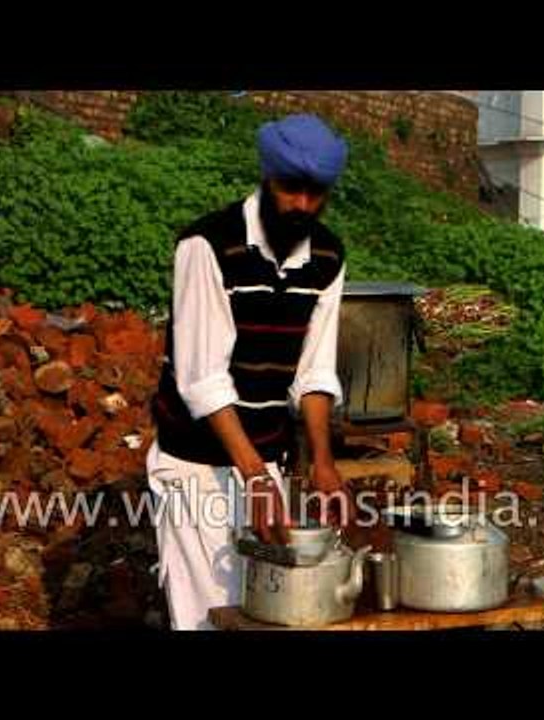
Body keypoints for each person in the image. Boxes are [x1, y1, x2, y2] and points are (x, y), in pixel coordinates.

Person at [146, 113, 354, 630]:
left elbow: (315, 370)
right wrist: (255, 476)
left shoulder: (327, 256)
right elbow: (203, 380)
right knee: (208, 616)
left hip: (265, 463)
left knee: (271, 612)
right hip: (197, 467)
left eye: (315, 193)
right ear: (267, 177)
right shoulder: (207, 245)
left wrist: (322, 462)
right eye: (291, 188)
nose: (302, 205)